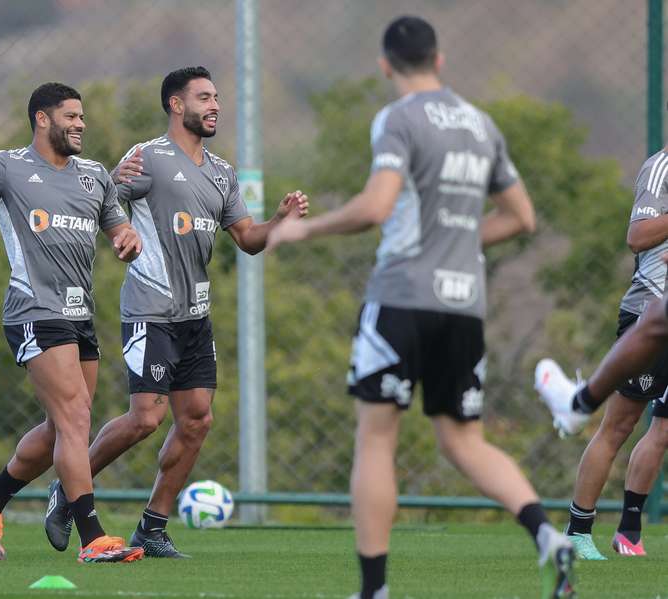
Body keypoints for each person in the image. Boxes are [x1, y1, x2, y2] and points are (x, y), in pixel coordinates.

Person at [266, 16, 576, 599]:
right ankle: (546, 536)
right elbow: (521, 218)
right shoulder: (481, 125)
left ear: (386, 65)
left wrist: (303, 233)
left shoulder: (398, 118)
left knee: (376, 440)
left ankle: (375, 589)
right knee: (465, 441)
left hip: (403, 297)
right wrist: (456, 244)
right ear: (440, 59)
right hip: (465, 305)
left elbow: (377, 206)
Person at [43, 66, 309, 559]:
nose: (215, 106)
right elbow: (99, 203)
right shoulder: (147, 159)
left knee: (197, 420)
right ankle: (69, 488)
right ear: (176, 105)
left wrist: (279, 220)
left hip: (194, 318)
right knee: (146, 418)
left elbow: (249, 240)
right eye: (204, 97)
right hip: (150, 309)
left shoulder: (222, 173)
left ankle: (153, 527)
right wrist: (114, 198)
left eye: (217, 97)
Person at [0, 82, 145, 564]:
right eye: (70, 116)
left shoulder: (95, 176)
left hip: (80, 314)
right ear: (42, 119)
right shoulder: (6, 166)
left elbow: (117, 226)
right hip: (34, 311)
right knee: (75, 418)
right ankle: (93, 537)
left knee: (58, 429)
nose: (80, 124)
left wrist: (128, 238)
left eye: (82, 117)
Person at [535, 147, 668, 559]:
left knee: (663, 430)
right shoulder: (662, 167)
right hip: (651, 314)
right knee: (619, 424)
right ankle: (578, 530)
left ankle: (629, 533)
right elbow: (638, 237)